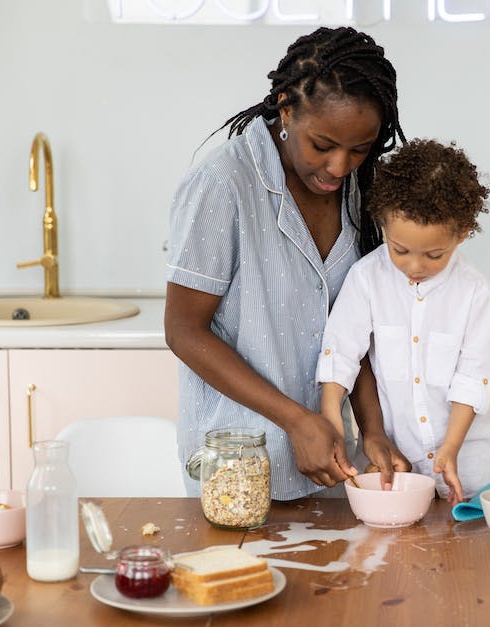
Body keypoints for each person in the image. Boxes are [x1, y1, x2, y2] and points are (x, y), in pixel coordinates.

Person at [164, 27, 411, 500]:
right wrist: (297, 421)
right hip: (238, 469)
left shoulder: (356, 188)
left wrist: (372, 429)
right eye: (322, 145)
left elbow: (351, 326)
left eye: (359, 149)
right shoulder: (222, 184)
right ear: (286, 108)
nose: (339, 166)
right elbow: (183, 331)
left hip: (334, 465)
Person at [316, 139, 490, 504]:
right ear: (383, 225)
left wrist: (449, 449)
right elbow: (340, 352)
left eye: (434, 255)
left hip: (468, 471)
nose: (415, 267)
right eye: (399, 249)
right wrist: (330, 421)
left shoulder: (474, 293)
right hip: (396, 473)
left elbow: (471, 381)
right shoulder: (366, 278)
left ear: (462, 234)